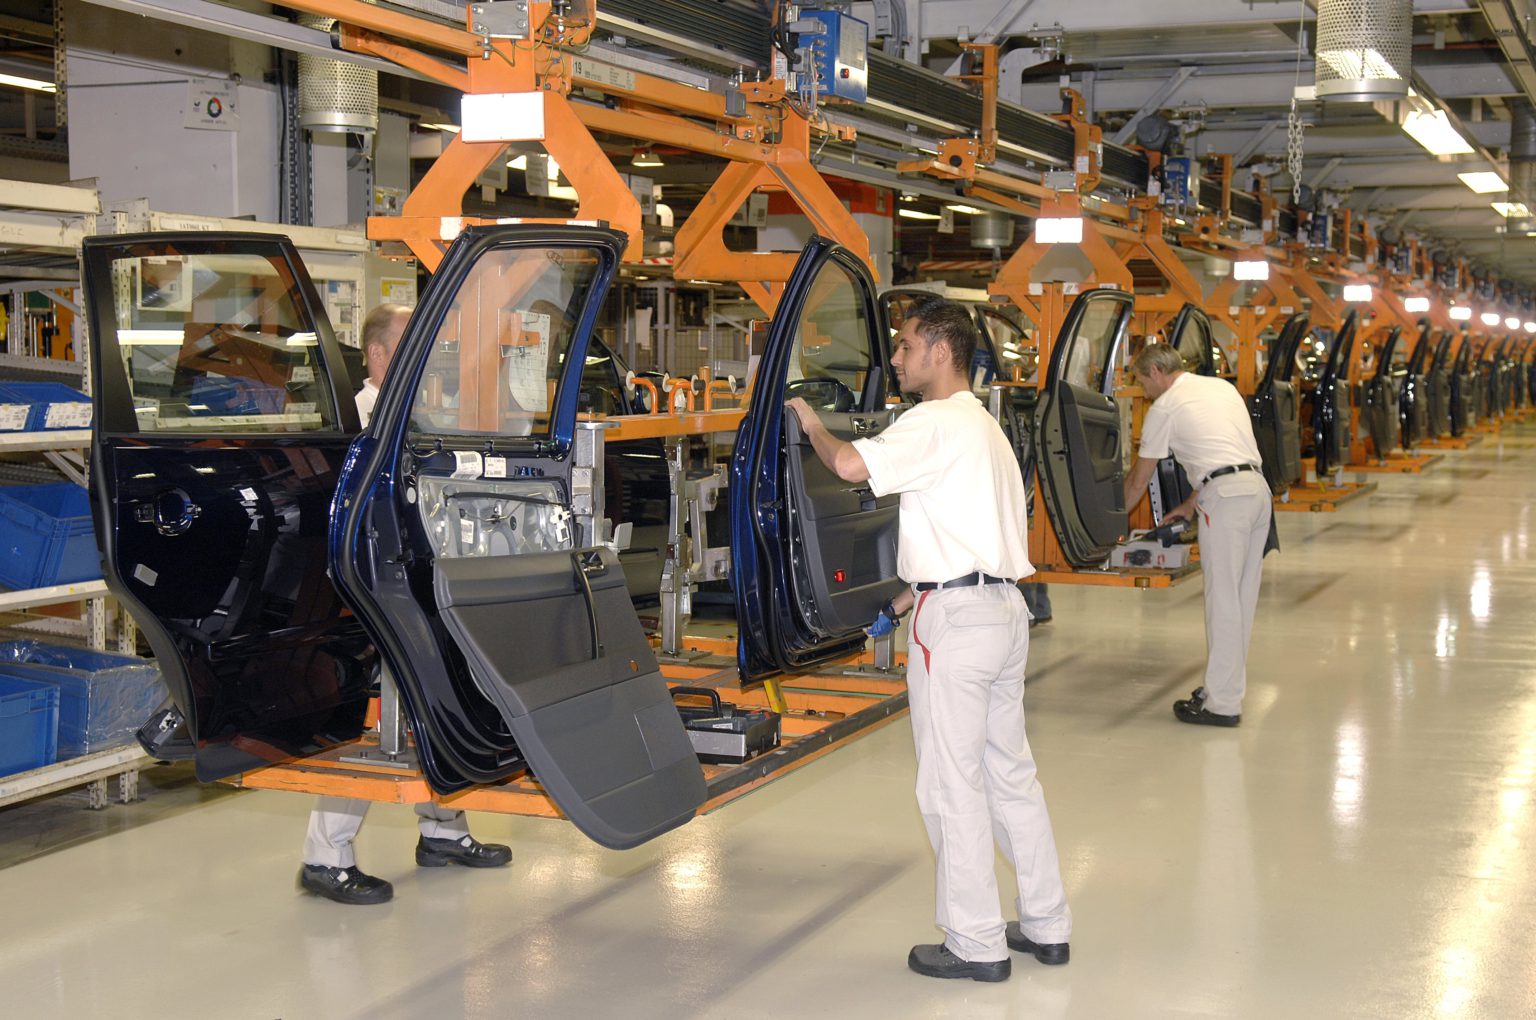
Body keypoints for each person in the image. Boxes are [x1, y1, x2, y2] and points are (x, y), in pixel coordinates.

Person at [787, 296, 1071, 983]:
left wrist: (809, 422)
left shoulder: (933, 421)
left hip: (958, 627)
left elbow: (849, 467)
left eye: (907, 346)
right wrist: (899, 599)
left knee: (952, 783)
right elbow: (966, 537)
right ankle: (1047, 923)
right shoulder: (985, 430)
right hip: (1002, 612)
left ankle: (976, 942)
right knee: (1011, 775)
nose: (897, 358)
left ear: (941, 352)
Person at [299, 303, 513, 906]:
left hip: (421, 582)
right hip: (373, 591)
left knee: (438, 702)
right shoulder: (357, 420)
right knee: (373, 724)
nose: (428, 357)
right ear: (377, 354)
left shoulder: (412, 415)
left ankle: (443, 829)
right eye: (410, 343)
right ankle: (325, 856)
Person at [1123, 342, 1273, 728]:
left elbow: (1138, 480)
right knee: (1240, 600)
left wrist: (1108, 526)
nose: (1144, 392)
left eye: (1142, 382)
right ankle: (1222, 691)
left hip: (1226, 501)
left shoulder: (1165, 408)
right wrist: (1190, 505)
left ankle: (1222, 706)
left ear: (1157, 372)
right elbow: (1226, 456)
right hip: (1257, 492)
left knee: (1222, 601)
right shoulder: (1221, 387)